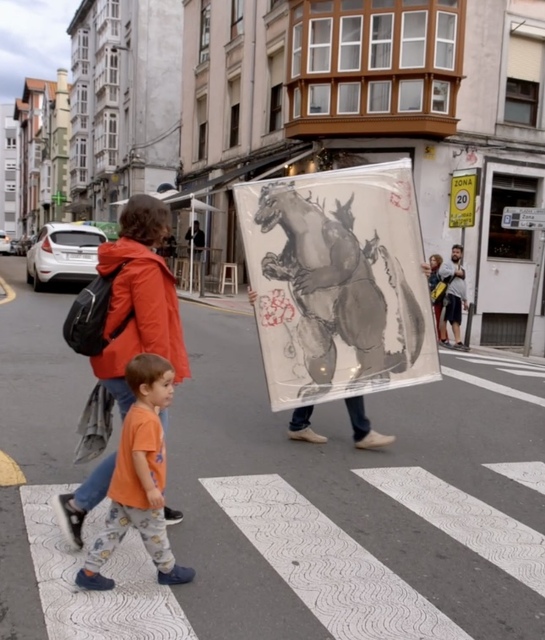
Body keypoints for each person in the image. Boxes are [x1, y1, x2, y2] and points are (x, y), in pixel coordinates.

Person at [53, 194, 191, 550]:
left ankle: (149, 498)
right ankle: (78, 504)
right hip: (135, 370)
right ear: (155, 225)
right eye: (164, 221)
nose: (168, 227)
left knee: (145, 441)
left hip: (116, 364)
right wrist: (161, 379)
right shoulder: (144, 265)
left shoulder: (121, 255)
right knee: (146, 443)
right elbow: (153, 329)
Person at [75, 353, 196, 591]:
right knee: (156, 533)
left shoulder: (138, 412)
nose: (172, 390)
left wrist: (157, 407)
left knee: (112, 532)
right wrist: (150, 489)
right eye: (165, 385)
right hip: (141, 494)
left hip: (123, 489)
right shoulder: (149, 422)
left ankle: (89, 571)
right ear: (144, 389)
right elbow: (139, 455)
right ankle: (168, 570)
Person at [438, 244, 469, 350]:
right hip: (448, 294)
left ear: (461, 254)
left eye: (457, 252)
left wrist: (465, 300)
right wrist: (455, 272)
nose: (455, 254)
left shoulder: (462, 268)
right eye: (453, 252)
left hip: (458, 296)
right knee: (445, 317)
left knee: (456, 319)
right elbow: (441, 272)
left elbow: (463, 284)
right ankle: (443, 339)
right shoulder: (447, 263)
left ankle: (458, 341)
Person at [428, 254, 444, 339]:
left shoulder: (439, 272)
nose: (431, 262)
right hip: (434, 297)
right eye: (431, 260)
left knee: (440, 319)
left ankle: (442, 338)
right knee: (437, 319)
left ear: (438, 261)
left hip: (439, 298)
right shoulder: (432, 272)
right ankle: (440, 337)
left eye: (434, 260)